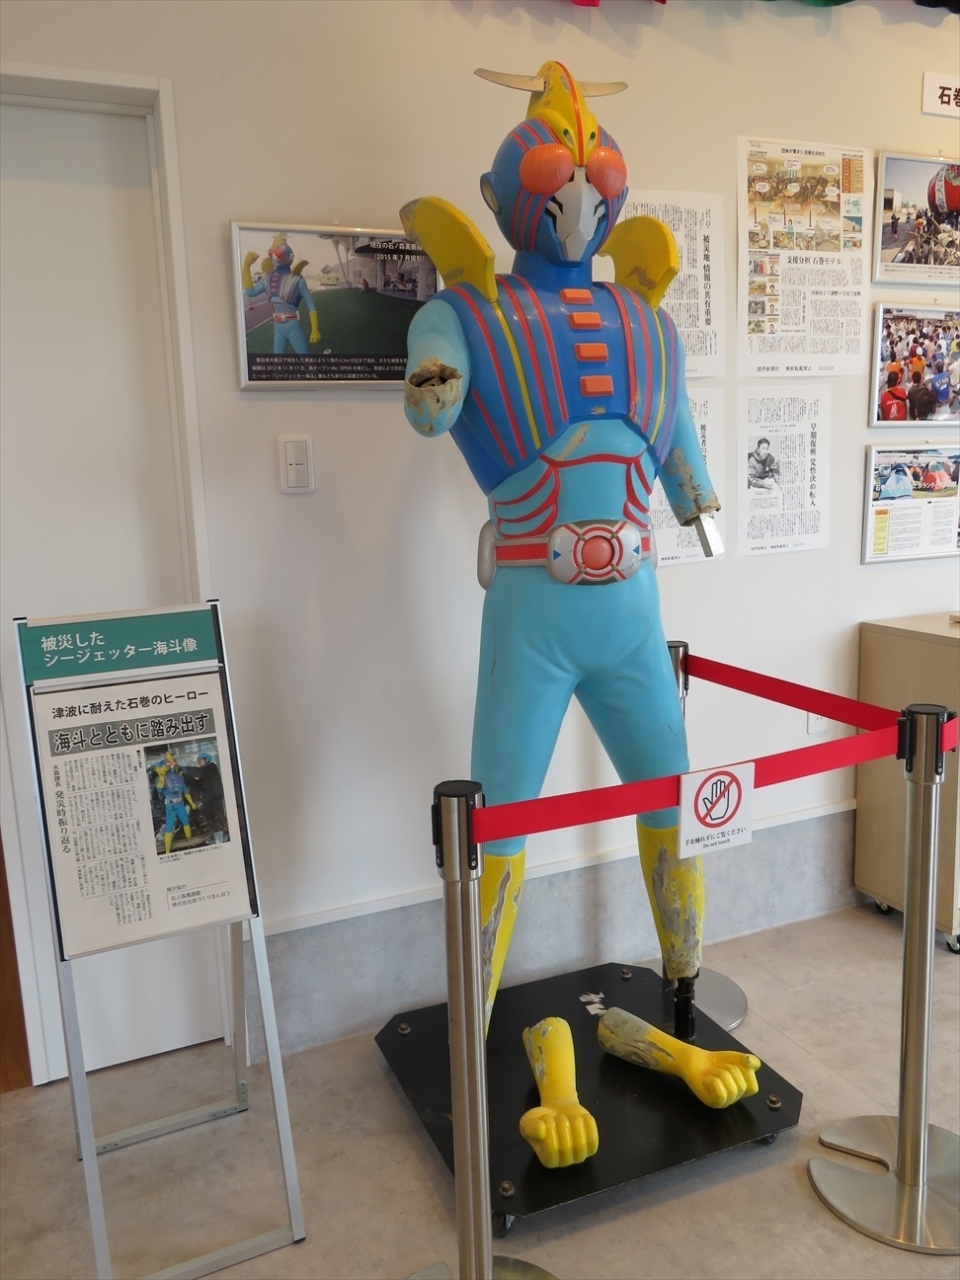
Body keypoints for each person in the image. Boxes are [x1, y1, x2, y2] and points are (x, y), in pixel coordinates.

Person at [402, 62, 757, 1170]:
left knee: (667, 786)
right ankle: (477, 1014)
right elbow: (432, 398)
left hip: (631, 611)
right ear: (499, 192)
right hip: (533, 611)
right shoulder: (465, 311)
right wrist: (434, 376)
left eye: (592, 171)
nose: (574, 193)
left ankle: (684, 978)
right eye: (553, 169)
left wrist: (701, 497)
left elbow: (683, 452)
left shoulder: (651, 327)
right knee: (498, 815)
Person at [241, 234, 321, 354]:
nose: (275, 258)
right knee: (278, 361)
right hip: (278, 326)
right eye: (272, 254)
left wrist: (315, 329)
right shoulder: (268, 278)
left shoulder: (297, 280)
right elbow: (250, 292)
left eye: (278, 255)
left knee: (306, 359)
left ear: (289, 257)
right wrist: (246, 267)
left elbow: (311, 306)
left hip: (292, 325)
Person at [155, 752, 195, 855]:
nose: (171, 765)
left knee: (186, 823)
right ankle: (167, 851)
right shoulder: (161, 778)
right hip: (171, 805)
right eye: (169, 763)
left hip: (180, 804)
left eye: (172, 763)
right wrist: (161, 775)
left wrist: (191, 803)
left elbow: (185, 791)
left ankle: (190, 843)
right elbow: (159, 789)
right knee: (169, 827)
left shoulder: (180, 777)